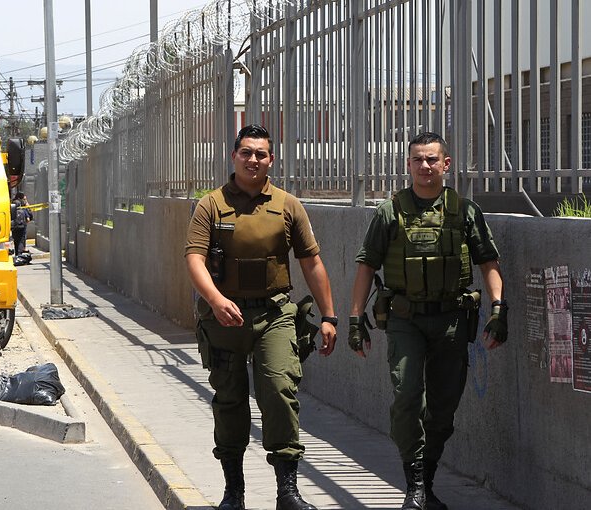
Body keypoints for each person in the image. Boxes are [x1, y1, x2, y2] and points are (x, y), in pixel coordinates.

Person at [347, 132, 507, 510]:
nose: (425, 166)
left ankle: (428, 481)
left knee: (443, 407)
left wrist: (500, 309)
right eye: (417, 159)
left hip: (452, 320)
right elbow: (366, 265)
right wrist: (355, 319)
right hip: (405, 319)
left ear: (446, 164)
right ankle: (414, 485)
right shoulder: (390, 211)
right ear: (408, 165)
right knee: (406, 397)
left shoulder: (465, 211)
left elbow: (489, 263)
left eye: (432, 159)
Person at [185, 124, 337, 510]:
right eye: (246, 152)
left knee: (279, 392)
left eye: (261, 154)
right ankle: (233, 492)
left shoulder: (287, 205)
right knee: (229, 400)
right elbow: (194, 259)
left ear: (271, 159)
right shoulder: (211, 204)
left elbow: (312, 262)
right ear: (233, 156)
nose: (253, 160)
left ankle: (287, 491)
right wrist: (216, 299)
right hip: (225, 318)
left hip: (275, 315)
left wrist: (329, 317)